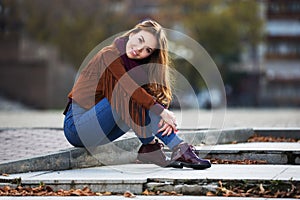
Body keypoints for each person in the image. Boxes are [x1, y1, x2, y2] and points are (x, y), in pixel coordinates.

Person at [63, 19, 211, 170]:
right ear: (132, 34)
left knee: (140, 100)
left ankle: (154, 149)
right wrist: (161, 111)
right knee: (132, 96)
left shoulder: (137, 68)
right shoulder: (109, 55)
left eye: (147, 50)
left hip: (102, 131)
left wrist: (160, 115)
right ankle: (175, 147)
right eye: (140, 40)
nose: (139, 49)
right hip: (77, 127)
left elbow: (145, 97)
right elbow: (128, 87)